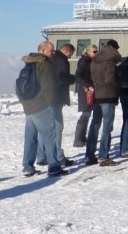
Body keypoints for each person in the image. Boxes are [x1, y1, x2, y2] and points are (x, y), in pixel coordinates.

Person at [21, 41, 67, 178]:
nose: (53, 53)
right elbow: (49, 87)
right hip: (40, 105)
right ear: (42, 50)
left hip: (28, 106)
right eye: (51, 50)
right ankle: (54, 166)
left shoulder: (29, 63)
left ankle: (27, 166)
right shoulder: (44, 64)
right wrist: (50, 103)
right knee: (49, 135)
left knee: (30, 137)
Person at [36, 43, 75, 168]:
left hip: (45, 98)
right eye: (71, 54)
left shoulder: (50, 60)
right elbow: (61, 78)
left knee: (46, 129)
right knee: (57, 128)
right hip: (55, 98)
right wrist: (74, 78)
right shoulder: (61, 61)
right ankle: (58, 156)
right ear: (68, 51)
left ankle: (42, 156)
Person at [89, 39, 121, 166]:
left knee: (95, 125)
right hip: (108, 95)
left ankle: (89, 155)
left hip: (97, 94)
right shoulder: (110, 60)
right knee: (107, 126)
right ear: (114, 48)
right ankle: (103, 155)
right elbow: (110, 79)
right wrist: (118, 87)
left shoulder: (95, 59)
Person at [73, 45, 97, 147]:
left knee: (87, 113)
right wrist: (87, 85)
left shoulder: (90, 61)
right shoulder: (84, 61)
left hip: (89, 89)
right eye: (94, 52)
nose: (96, 54)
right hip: (86, 91)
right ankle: (78, 139)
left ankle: (82, 137)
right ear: (88, 52)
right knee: (85, 113)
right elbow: (78, 76)